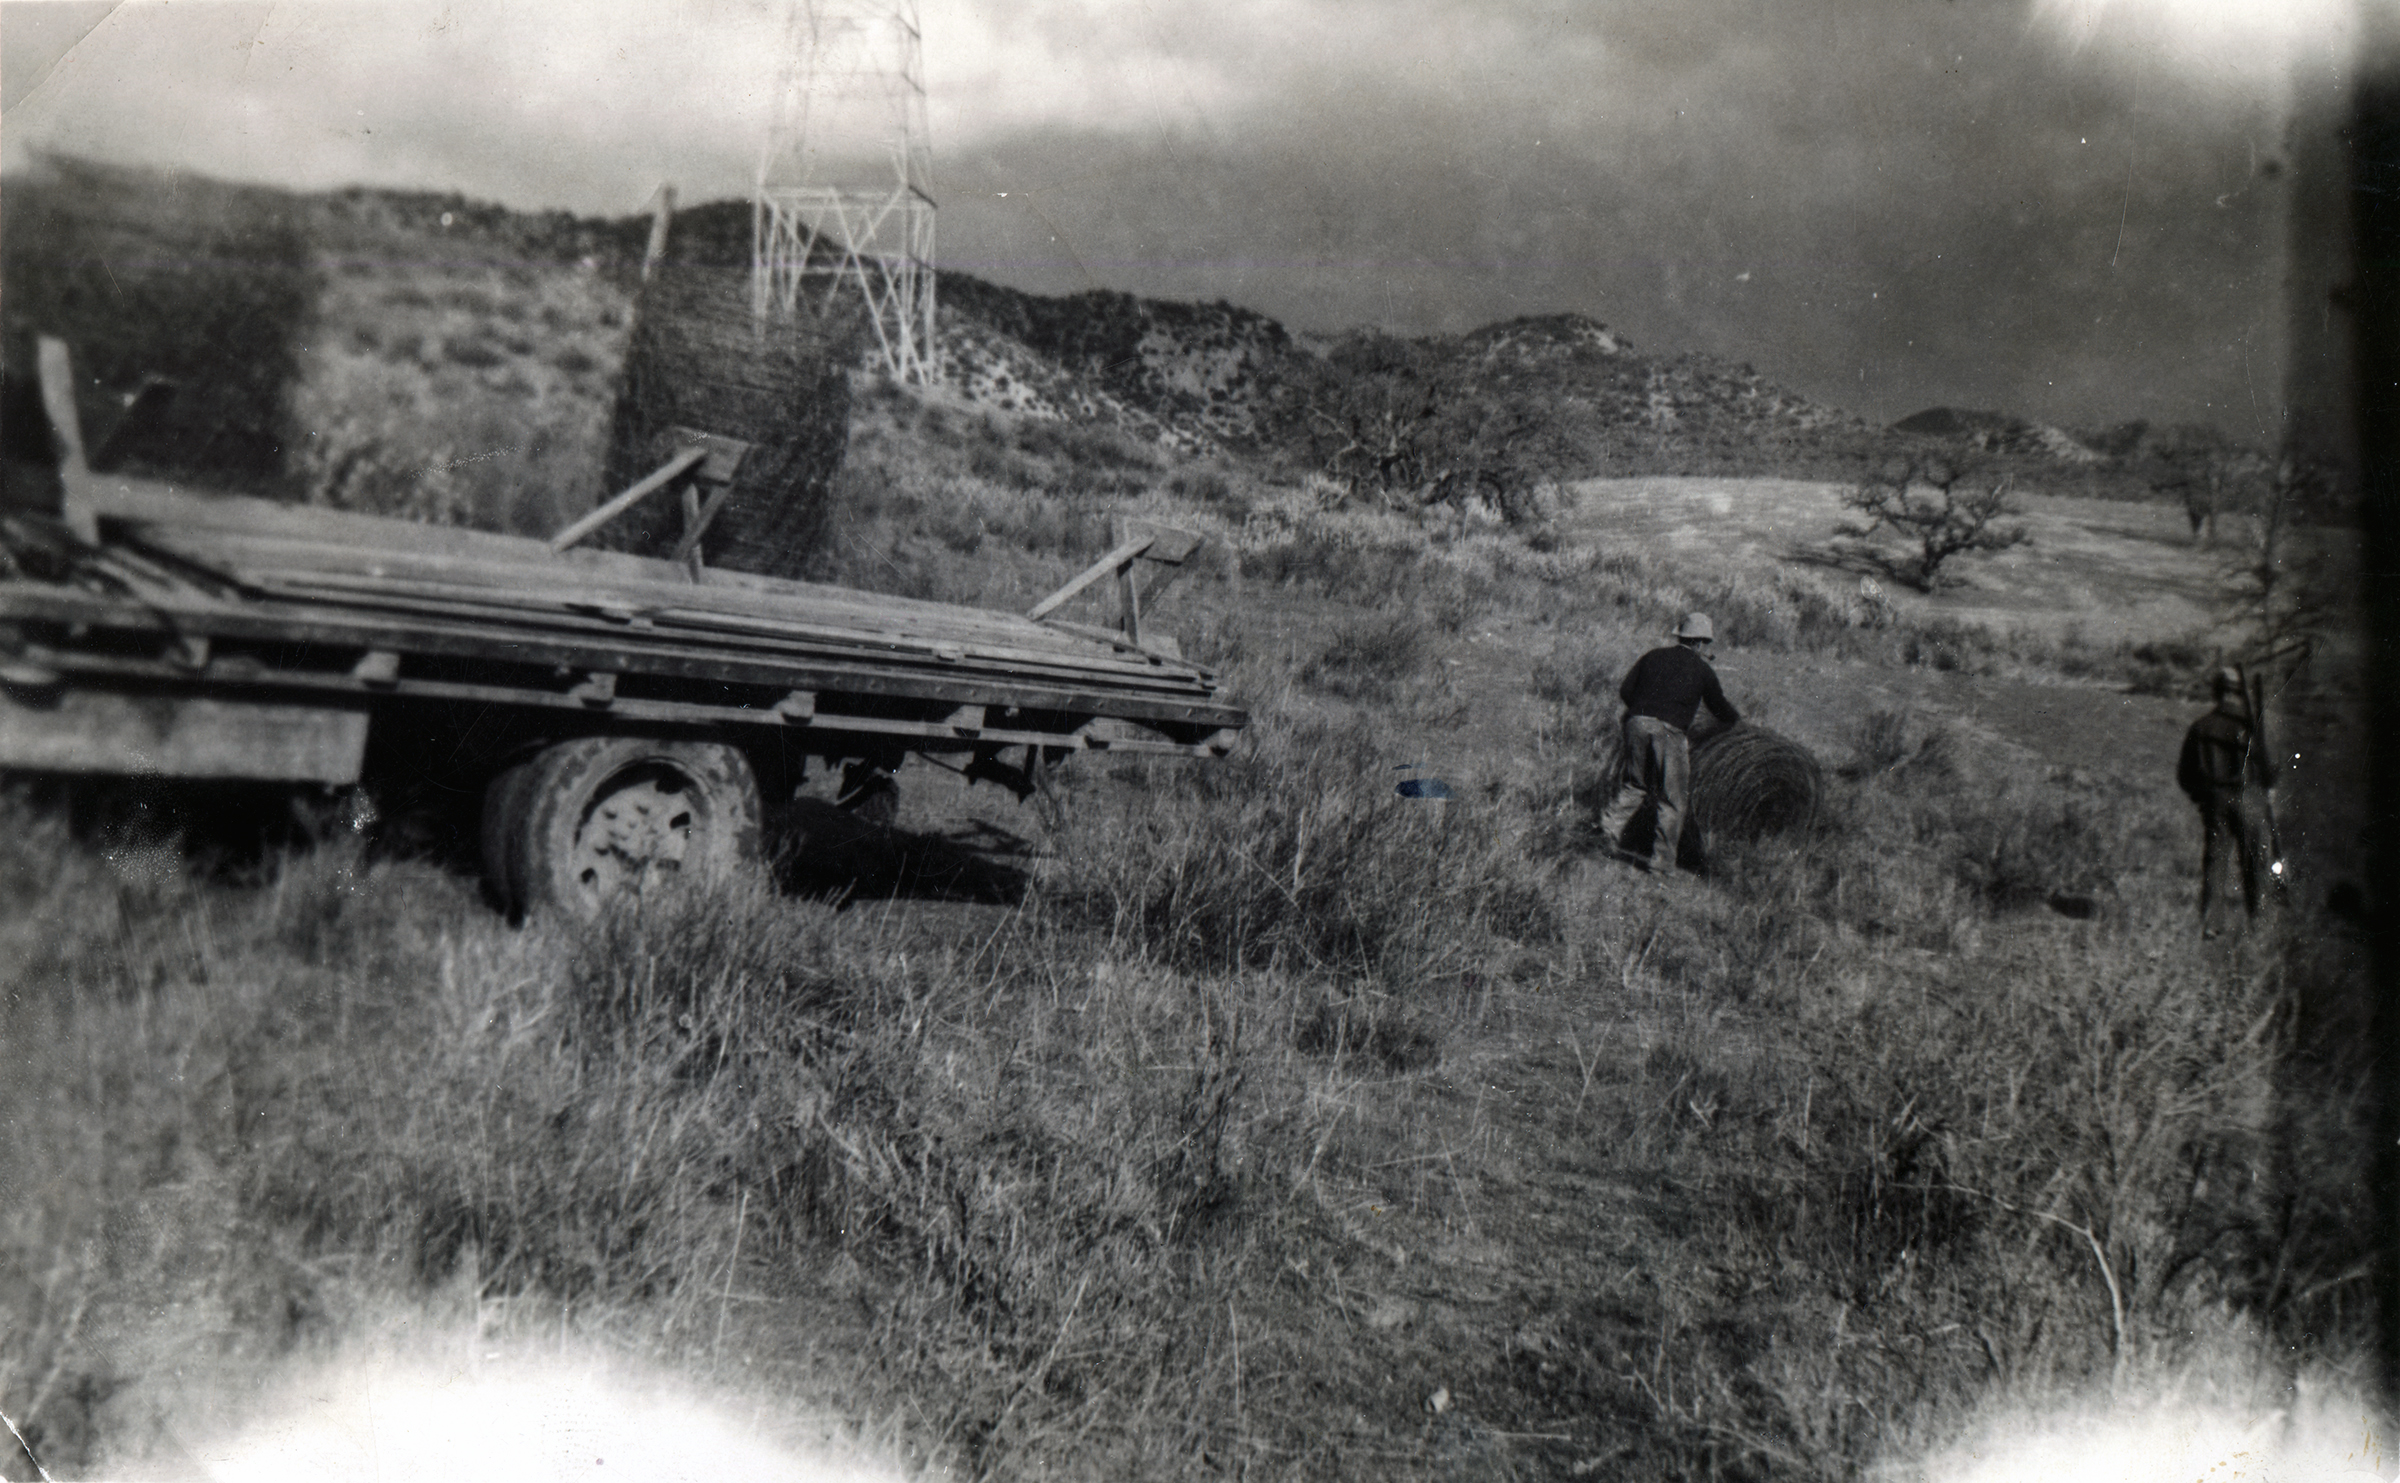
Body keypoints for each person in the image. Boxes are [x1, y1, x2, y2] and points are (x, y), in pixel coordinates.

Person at [1599, 613, 1742, 877]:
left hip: (1636, 723)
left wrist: (1643, 711)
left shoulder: (1652, 656)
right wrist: (1737, 721)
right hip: (1668, 732)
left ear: (1681, 637)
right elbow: (1720, 708)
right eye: (1705, 644)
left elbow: (1626, 690)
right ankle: (1661, 865)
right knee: (1673, 799)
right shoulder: (1702, 670)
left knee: (1634, 785)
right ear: (1699, 643)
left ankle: (1607, 832)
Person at [2176, 667, 2276, 936]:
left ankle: (2211, 924)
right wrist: (2269, 785)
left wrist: (2202, 798)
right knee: (2255, 862)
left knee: (2215, 861)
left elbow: (2184, 775)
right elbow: (2266, 769)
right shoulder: (2250, 726)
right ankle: (2260, 924)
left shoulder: (2200, 726)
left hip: (2215, 801)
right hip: (2247, 799)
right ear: (2236, 692)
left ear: (2216, 691)